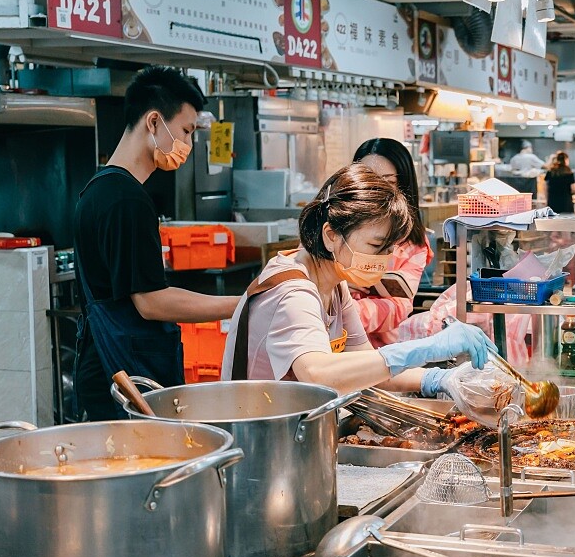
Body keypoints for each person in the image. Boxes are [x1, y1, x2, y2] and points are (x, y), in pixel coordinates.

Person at [221, 164, 495, 396]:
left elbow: (368, 367)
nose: (384, 260)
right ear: (331, 235)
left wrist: (436, 379)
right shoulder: (294, 292)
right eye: (376, 246)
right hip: (260, 436)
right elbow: (318, 374)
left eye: (389, 250)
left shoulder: (335, 283)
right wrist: (426, 348)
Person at [72, 66, 239, 421]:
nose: (188, 145)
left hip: (105, 366)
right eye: (185, 131)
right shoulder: (125, 199)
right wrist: (244, 304)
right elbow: (151, 302)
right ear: (153, 122)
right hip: (123, 377)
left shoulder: (99, 188)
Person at [351, 138, 433, 347]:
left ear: (403, 186)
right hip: (326, 348)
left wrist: (342, 310)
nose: (375, 191)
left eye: (387, 182)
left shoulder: (412, 242)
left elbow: (400, 306)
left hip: (379, 355)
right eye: (368, 180)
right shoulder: (335, 226)